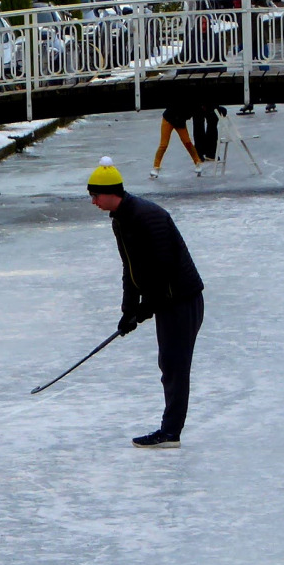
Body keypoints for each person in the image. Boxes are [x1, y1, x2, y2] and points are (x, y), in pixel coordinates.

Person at [86, 157, 205, 448]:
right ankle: (170, 429)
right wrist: (129, 311)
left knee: (175, 366)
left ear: (111, 192)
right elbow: (131, 268)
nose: (93, 202)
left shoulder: (147, 216)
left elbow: (163, 265)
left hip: (181, 299)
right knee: (169, 363)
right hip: (166, 300)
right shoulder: (121, 220)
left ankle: (170, 432)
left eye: (95, 195)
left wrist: (147, 306)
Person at [151, 105, 204, 179]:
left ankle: (197, 162)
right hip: (168, 119)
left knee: (187, 143)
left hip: (180, 121)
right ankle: (156, 167)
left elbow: (192, 113)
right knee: (163, 145)